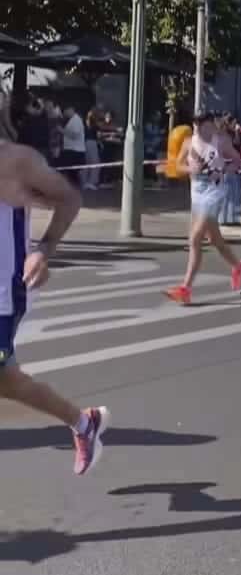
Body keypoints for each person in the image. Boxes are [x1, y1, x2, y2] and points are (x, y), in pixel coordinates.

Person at [0, 138, 109, 474]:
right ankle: (84, 423)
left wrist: (43, 251)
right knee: (7, 382)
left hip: (3, 296)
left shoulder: (14, 160)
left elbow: (69, 198)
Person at [164, 111, 241, 304]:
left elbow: (237, 161)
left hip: (215, 193)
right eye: (196, 125)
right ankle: (237, 265)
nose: (198, 129)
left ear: (211, 125)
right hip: (197, 193)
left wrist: (225, 170)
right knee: (214, 238)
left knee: (195, 238)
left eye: (202, 125)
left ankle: (185, 289)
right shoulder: (188, 142)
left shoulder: (221, 141)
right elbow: (178, 165)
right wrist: (189, 169)